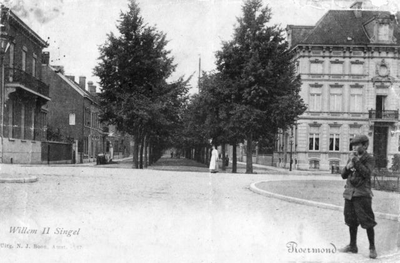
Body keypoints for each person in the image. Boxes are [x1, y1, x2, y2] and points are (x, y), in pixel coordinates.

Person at [339, 134, 377, 259]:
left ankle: (372, 248)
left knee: (367, 221)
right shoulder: (352, 158)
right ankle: (352, 245)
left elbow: (366, 173)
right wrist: (347, 167)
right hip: (349, 193)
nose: (354, 148)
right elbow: (343, 175)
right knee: (351, 220)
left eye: (357, 145)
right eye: (353, 145)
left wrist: (355, 161)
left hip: (362, 194)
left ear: (365, 146)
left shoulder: (369, 159)